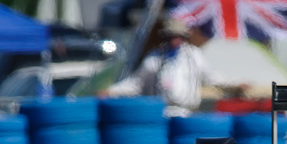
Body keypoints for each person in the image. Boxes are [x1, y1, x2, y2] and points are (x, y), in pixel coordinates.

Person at [99, 18, 243, 116]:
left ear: (184, 37)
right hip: (163, 114)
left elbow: (213, 77)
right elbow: (136, 84)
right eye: (171, 36)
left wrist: (237, 85)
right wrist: (112, 91)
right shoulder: (155, 58)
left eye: (178, 36)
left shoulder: (195, 56)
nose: (175, 40)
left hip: (188, 113)